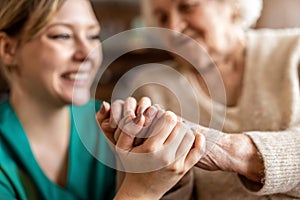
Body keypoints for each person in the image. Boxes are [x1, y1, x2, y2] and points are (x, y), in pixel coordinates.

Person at [0, 0, 204, 199]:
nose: (87, 52)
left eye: (93, 35)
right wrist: (142, 191)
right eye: (63, 35)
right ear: (8, 49)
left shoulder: (118, 126)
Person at [124, 0, 300, 199]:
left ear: (232, 4)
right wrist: (168, 175)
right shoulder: (152, 87)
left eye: (186, 7)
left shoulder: (294, 50)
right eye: (162, 18)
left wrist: (230, 151)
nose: (173, 28)